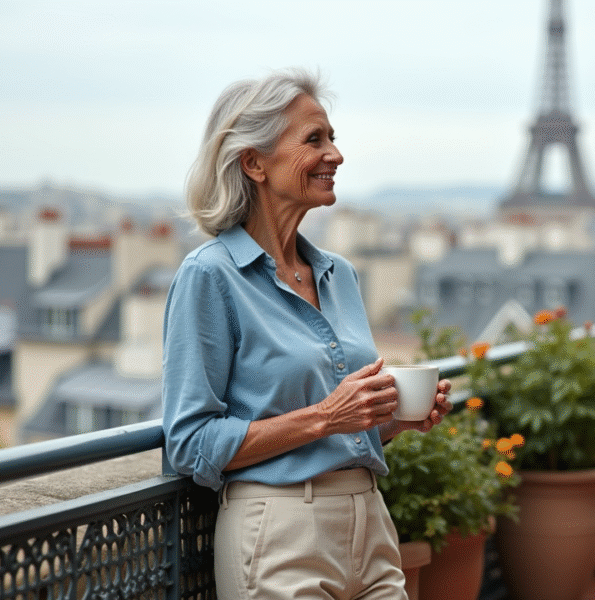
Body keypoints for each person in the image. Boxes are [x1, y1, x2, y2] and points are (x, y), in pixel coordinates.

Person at [162, 68, 453, 600]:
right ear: (254, 162)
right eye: (314, 139)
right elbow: (189, 442)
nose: (335, 154)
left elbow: (340, 425)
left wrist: (393, 421)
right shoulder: (209, 276)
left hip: (369, 520)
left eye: (333, 138)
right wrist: (326, 417)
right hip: (279, 531)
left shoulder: (339, 275)